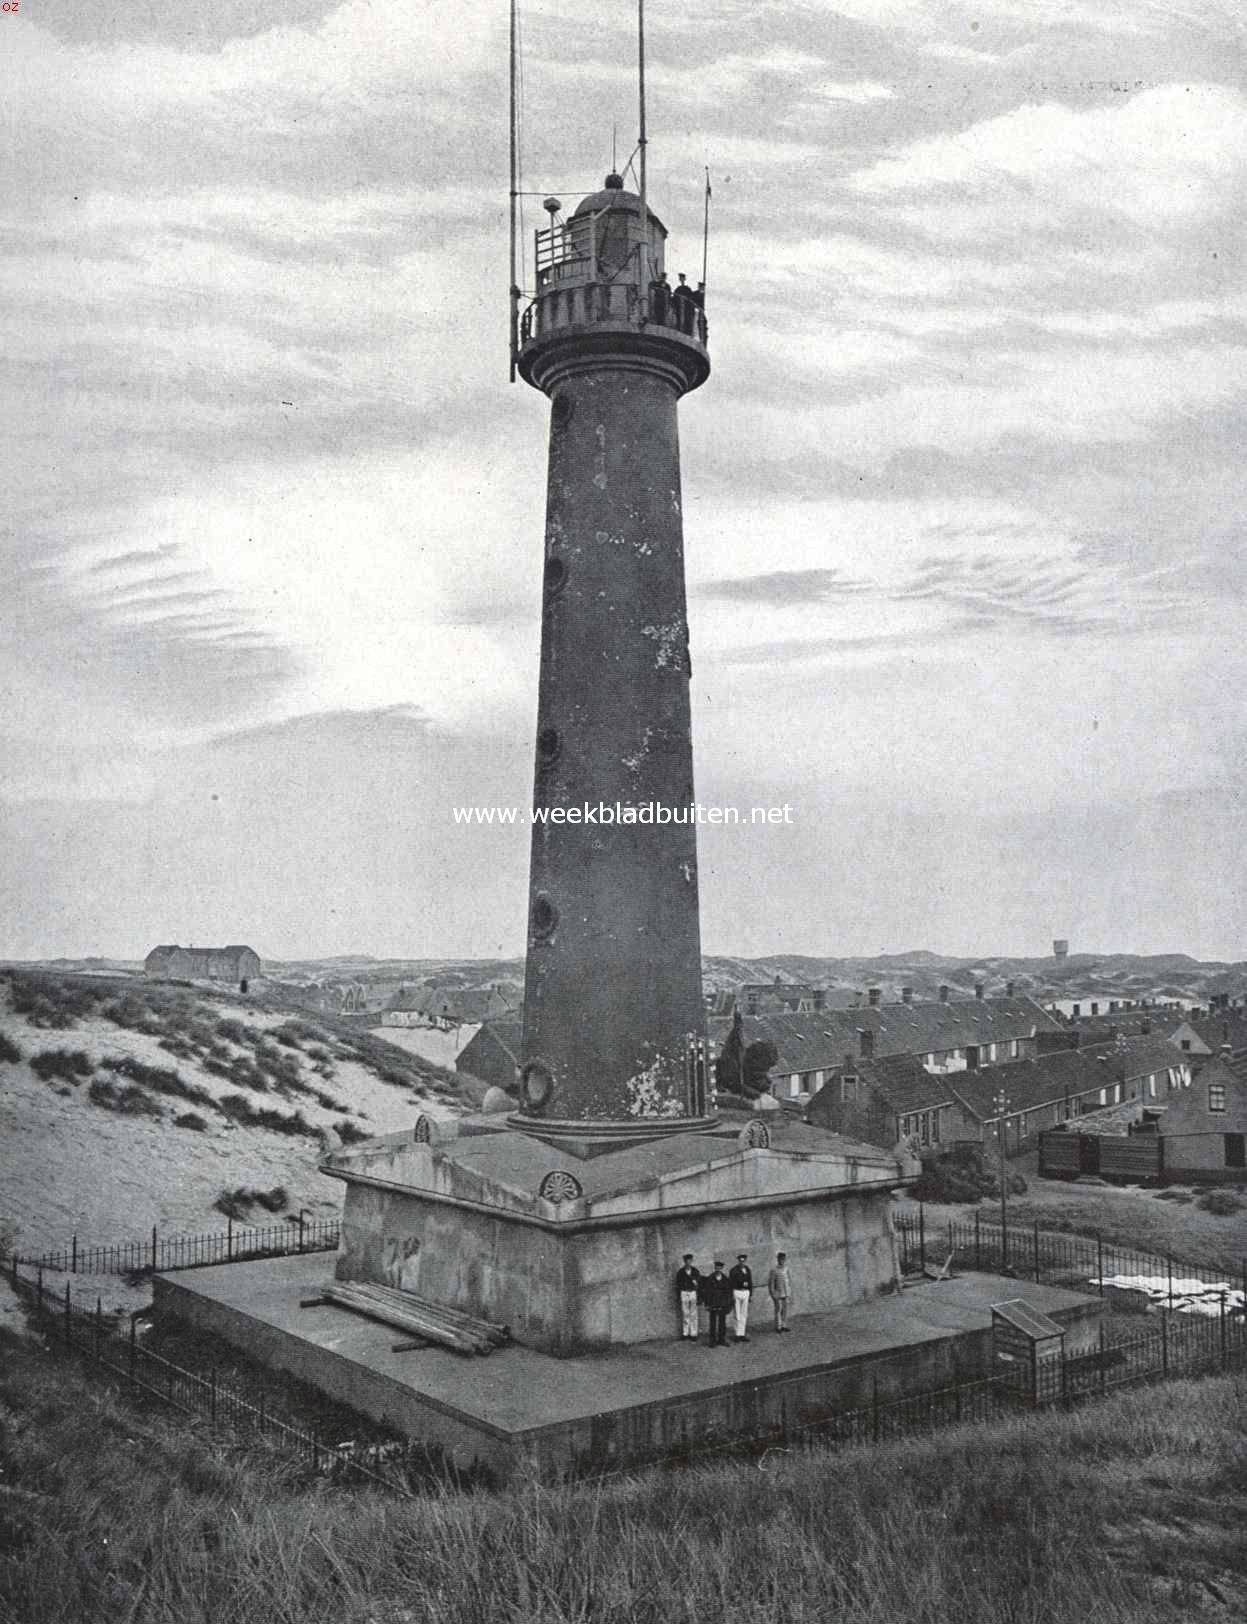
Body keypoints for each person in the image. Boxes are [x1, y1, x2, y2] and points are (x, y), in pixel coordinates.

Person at [701, 1260, 733, 1347]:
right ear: (715, 1268)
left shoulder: (726, 1279)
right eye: (716, 1267)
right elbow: (707, 1292)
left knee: (722, 1322)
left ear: (722, 1268)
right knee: (713, 1322)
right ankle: (712, 1341)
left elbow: (729, 1292)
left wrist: (729, 1304)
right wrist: (707, 1304)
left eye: (719, 1268)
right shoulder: (710, 1278)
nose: (718, 1269)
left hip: (723, 1303)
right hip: (713, 1303)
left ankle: (721, 1339)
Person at [674, 1252, 701, 1341]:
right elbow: (678, 1285)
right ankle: (685, 1333)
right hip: (684, 1293)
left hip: (692, 1292)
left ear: (692, 1261)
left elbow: (699, 1284)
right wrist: (679, 1295)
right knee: (685, 1313)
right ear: (684, 1261)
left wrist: (696, 1286)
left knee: (693, 1313)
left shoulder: (695, 1271)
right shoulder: (680, 1272)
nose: (688, 1263)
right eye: (686, 1261)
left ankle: (693, 1333)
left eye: (690, 1261)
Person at [728, 1252, 753, 1342]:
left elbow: (750, 1282)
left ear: (745, 1261)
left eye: (744, 1261)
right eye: (740, 1261)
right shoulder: (733, 1270)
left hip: (745, 1292)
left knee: (744, 1314)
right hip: (737, 1291)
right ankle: (737, 1334)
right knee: (737, 1314)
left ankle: (742, 1333)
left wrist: (750, 1294)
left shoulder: (747, 1269)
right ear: (738, 1261)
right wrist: (732, 1295)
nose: (742, 1263)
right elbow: (730, 1284)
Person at [767, 1252, 791, 1332]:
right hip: (778, 1292)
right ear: (777, 1259)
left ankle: (784, 1325)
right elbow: (771, 1283)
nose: (782, 1261)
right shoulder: (774, 1270)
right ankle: (778, 1326)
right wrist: (772, 1293)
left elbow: (788, 1280)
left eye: (783, 1259)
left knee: (785, 1309)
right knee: (778, 1309)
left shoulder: (786, 1268)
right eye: (780, 1259)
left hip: (786, 1292)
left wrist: (789, 1290)